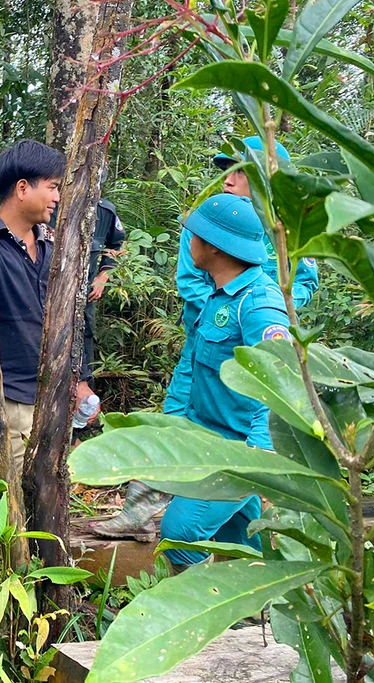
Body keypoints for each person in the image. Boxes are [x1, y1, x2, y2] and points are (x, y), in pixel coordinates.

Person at [92, 136, 318, 541]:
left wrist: (256, 303)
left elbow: (281, 366)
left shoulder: (288, 234)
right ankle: (140, 514)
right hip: (203, 343)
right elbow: (192, 279)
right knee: (174, 423)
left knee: (191, 523)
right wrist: (221, 305)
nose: (227, 181)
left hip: (240, 365)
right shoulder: (209, 221)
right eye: (226, 172)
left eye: (239, 172)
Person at [0, 140, 99, 477]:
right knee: (12, 487)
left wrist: (81, 379)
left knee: (52, 485)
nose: (58, 197)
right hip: (12, 394)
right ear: (22, 188)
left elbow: (72, 320)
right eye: (53, 187)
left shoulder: (54, 245)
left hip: (55, 392)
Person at [158, 193, 290, 569]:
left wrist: (260, 451)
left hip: (234, 449)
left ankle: (202, 615)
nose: (189, 243)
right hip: (204, 436)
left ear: (214, 247)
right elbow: (192, 363)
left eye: (194, 236)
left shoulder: (259, 303)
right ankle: (253, 614)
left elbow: (278, 378)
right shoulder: (217, 295)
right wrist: (175, 420)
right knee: (244, 542)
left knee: (179, 534)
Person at [84, 195, 127, 380]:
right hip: (44, 298)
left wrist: (104, 275)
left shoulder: (105, 211)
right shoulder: (51, 205)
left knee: (84, 354)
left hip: (85, 300)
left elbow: (116, 244)